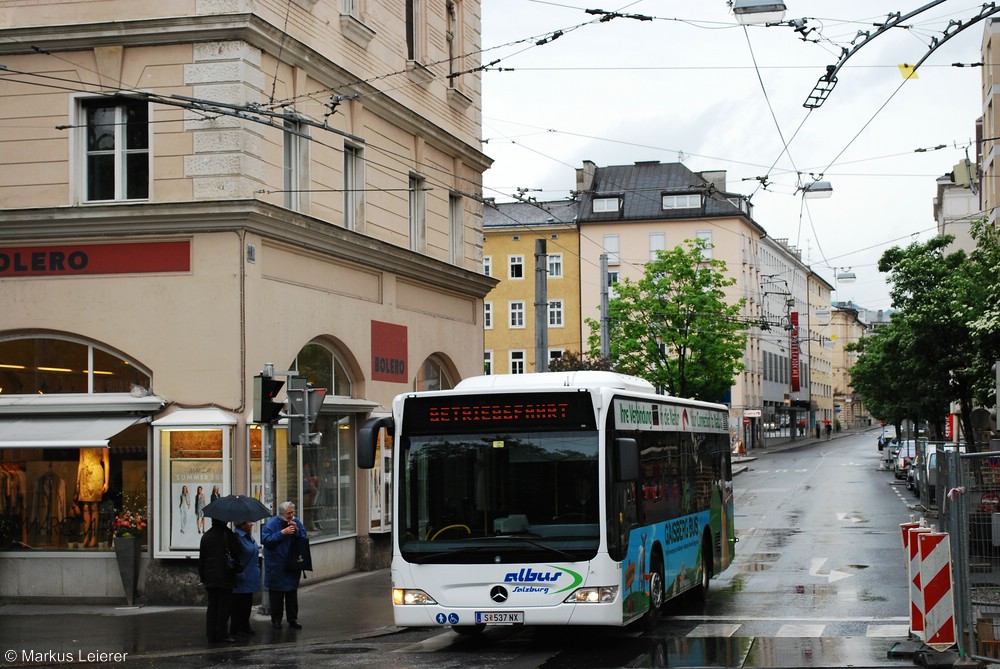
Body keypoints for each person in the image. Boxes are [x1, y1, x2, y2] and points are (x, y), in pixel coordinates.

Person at [262, 501, 307, 630]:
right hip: (277, 566)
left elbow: (304, 537)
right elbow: (266, 540)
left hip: (292, 563)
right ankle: (276, 620)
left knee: (292, 594)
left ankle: (293, 619)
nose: (291, 515)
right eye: (289, 513)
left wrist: (297, 531)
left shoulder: (296, 522)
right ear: (282, 513)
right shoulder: (272, 524)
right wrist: (283, 533)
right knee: (276, 595)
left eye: (292, 512)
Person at [198, 517, 241, 643]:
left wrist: (203, 577)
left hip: (210, 577)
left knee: (212, 605)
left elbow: (202, 559)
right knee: (224, 606)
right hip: (225, 576)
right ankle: (222, 633)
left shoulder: (206, 536)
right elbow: (237, 551)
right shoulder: (227, 534)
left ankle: (211, 633)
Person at [229, 520, 260, 638]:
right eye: (249, 522)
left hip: (250, 576)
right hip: (242, 577)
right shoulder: (237, 537)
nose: (252, 524)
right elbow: (233, 557)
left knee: (247, 603)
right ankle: (236, 628)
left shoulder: (248, 536)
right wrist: (238, 572)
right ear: (242, 524)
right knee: (238, 604)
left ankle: (245, 625)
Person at [76, 448, 109, 548]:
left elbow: (106, 462)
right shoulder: (83, 444)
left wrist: (106, 482)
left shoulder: (102, 444)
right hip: (84, 474)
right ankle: (86, 536)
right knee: (85, 506)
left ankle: (94, 537)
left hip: (96, 473)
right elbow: (81, 462)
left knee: (94, 506)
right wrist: (77, 480)